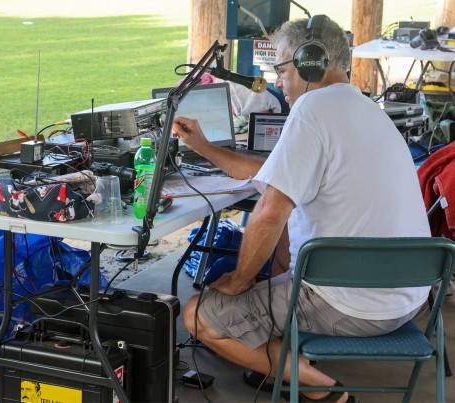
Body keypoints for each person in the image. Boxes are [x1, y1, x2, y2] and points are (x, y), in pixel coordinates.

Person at [172, 15, 431, 403]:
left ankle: (323, 391)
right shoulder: (365, 108)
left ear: (310, 63)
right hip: (408, 296)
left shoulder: (313, 109)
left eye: (281, 70)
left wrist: (239, 281)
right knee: (278, 262)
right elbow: (271, 171)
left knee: (198, 314)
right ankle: (288, 363)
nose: (278, 82)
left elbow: (269, 213)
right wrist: (205, 148)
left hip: (352, 304)